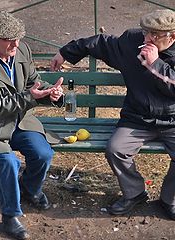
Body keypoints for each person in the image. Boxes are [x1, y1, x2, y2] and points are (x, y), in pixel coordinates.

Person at [51, 9, 175, 220]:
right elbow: (100, 43)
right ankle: (135, 193)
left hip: (172, 120)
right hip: (137, 118)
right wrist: (65, 52)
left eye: (154, 35)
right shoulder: (132, 41)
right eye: (146, 32)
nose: (147, 38)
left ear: (172, 36)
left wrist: (155, 63)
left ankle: (169, 199)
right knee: (116, 149)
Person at [0, 11, 64, 239]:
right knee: (8, 162)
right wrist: (32, 97)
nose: (16, 43)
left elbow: (32, 82)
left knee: (43, 154)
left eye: (18, 37)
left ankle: (30, 189)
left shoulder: (21, 50)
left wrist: (50, 93)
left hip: (18, 121)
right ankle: (10, 216)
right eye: (9, 39)